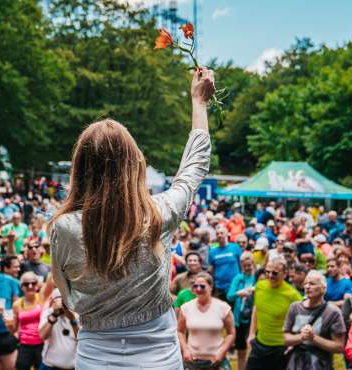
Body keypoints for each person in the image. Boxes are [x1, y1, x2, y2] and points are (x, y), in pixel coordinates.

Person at [49, 68, 215, 369]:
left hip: (95, 356)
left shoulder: (65, 228)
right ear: (133, 164)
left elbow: (65, 291)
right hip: (159, 358)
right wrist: (198, 103)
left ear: (80, 168)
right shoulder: (158, 213)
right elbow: (194, 167)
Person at [246, 257, 303, 370]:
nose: (270, 276)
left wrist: (293, 342)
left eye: (275, 273)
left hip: (280, 347)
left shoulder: (293, 295)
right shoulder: (260, 286)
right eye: (267, 272)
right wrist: (251, 333)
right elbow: (256, 309)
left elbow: (301, 321)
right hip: (259, 344)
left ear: (285, 274)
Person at [283, 270, 346, 370]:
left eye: (312, 284)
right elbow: (285, 339)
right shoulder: (294, 307)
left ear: (323, 289)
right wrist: (301, 337)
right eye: (305, 283)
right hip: (295, 364)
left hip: (321, 364)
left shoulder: (333, 312)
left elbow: (339, 346)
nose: (307, 286)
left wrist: (313, 338)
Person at [177, 272, 234, 370]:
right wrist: (185, 350)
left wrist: (222, 351)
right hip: (193, 361)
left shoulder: (223, 307)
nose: (198, 289)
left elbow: (231, 333)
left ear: (211, 286)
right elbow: (180, 331)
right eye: (195, 286)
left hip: (216, 360)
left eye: (202, 286)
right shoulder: (186, 308)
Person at [226, 252, 256, 370]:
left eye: (250, 265)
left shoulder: (257, 278)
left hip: (255, 318)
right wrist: (240, 293)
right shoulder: (238, 278)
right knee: (241, 349)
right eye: (245, 266)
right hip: (239, 317)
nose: (247, 268)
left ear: (253, 264)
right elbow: (230, 296)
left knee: (254, 349)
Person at [38, 289, 78, 370]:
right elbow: (42, 336)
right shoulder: (47, 313)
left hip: (73, 366)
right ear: (52, 301)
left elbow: (80, 338)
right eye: (58, 299)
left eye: (64, 300)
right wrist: (54, 315)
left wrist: (71, 319)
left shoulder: (76, 314)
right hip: (49, 366)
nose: (61, 304)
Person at [12, 272, 45, 370]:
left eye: (33, 283)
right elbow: (14, 327)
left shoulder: (43, 299)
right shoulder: (17, 304)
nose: (30, 286)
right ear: (22, 287)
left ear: (37, 285)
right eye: (26, 284)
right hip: (25, 345)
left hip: (42, 344)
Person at [208, 227, 242, 302]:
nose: (219, 235)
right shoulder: (212, 252)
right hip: (219, 287)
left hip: (234, 285)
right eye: (217, 234)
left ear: (227, 234)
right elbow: (211, 270)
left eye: (221, 233)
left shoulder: (235, 247)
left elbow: (241, 264)